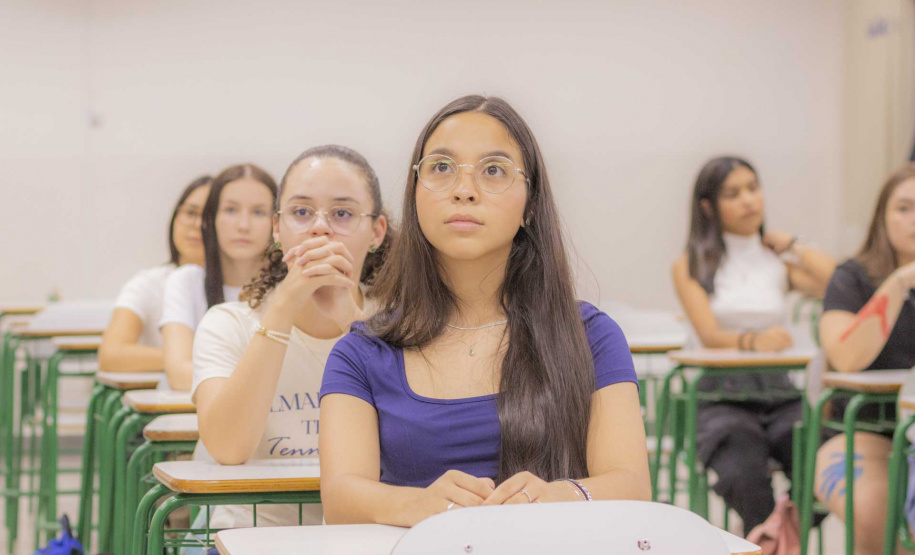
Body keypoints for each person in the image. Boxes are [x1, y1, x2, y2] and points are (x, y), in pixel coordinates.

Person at [319, 95, 650, 527]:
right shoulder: (361, 353)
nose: (464, 189)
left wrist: (562, 494)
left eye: (493, 170)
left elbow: (632, 485)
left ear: (531, 203)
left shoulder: (591, 336)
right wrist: (414, 505)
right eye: (441, 167)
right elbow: (341, 497)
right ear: (415, 194)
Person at [190, 145, 391, 528]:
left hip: (367, 538)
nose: (320, 227)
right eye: (301, 212)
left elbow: (419, 443)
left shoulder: (405, 322)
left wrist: (351, 318)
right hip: (246, 537)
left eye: (343, 214)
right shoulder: (228, 324)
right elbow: (229, 448)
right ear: (277, 229)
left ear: (376, 232)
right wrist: (283, 307)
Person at [671, 156, 836, 533]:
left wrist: (795, 245)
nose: (748, 200)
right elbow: (709, 335)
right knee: (742, 470)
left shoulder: (778, 261)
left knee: (821, 459)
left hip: (780, 392)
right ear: (708, 207)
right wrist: (754, 341)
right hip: (719, 397)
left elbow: (840, 285)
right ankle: (771, 534)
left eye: (753, 188)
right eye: (733, 194)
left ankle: (775, 536)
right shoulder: (691, 264)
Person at [814, 163, 915, 555]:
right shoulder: (851, 278)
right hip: (859, 433)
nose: (913, 220)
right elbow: (846, 357)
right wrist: (900, 283)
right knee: (875, 512)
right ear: (881, 217)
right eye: (903, 208)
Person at [159, 163, 276, 391]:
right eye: (231, 210)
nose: (243, 226)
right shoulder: (186, 281)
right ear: (210, 219)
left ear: (277, 223)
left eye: (259, 212)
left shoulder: (288, 288)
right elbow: (178, 372)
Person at [98, 175, 211, 372]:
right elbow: (112, 354)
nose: (197, 224)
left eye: (209, 217)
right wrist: (186, 361)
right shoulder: (149, 284)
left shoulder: (246, 285)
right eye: (190, 213)